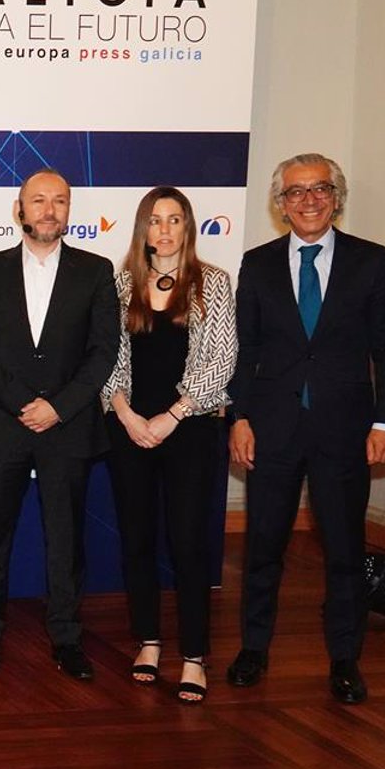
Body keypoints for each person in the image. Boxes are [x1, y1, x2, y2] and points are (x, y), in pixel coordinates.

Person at [227, 154, 385, 706]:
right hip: (272, 429)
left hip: (345, 430)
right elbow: (246, 350)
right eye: (296, 192)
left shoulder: (371, 261)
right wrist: (239, 417)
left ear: (336, 197)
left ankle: (345, 658)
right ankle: (254, 648)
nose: (309, 200)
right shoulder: (257, 264)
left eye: (320, 189)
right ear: (280, 205)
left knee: (345, 549)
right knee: (263, 546)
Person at [0, 169, 120, 680]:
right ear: (19, 210)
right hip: (2, 422)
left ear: (69, 210)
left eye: (59, 201)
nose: (49, 210)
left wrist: (59, 406)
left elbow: (103, 351)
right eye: (38, 200)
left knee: (66, 539)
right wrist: (20, 403)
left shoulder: (95, 271)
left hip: (67, 426)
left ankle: (67, 638)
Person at [100, 187, 236, 704]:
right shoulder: (120, 284)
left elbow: (222, 359)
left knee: (188, 541)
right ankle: (149, 642)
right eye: (155, 220)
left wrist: (172, 415)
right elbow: (105, 356)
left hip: (190, 429)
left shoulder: (213, 283)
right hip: (129, 427)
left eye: (174, 219)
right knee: (137, 538)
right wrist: (126, 413)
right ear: (143, 228)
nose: (164, 229)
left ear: (188, 227)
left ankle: (195, 655)